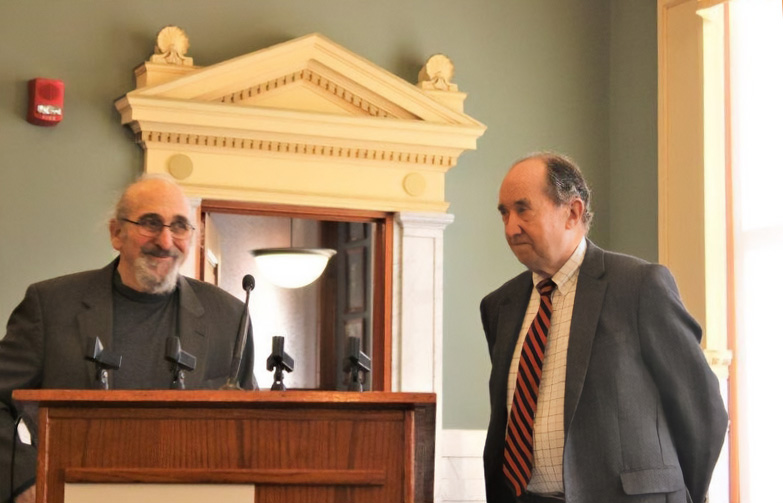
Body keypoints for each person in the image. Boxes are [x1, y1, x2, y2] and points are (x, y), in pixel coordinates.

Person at [480, 153, 727, 503]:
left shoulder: (640, 286)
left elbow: (702, 409)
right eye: (504, 213)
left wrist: (678, 495)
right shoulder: (499, 305)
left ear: (572, 212)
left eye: (523, 209)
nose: (510, 227)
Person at [0, 174, 256, 503]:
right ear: (116, 233)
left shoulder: (230, 316)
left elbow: (253, 423)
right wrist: (22, 481)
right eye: (150, 223)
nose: (165, 241)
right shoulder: (50, 306)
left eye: (179, 226)